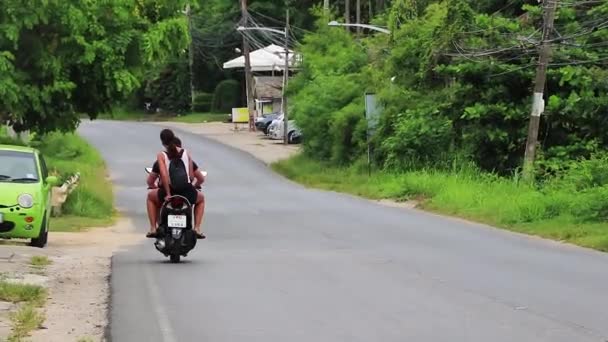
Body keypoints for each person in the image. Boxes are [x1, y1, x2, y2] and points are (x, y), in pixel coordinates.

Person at [146, 130, 205, 239]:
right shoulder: (186, 153)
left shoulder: (162, 155)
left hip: (168, 191)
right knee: (201, 199)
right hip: (186, 191)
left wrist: (168, 193)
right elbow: (192, 177)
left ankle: (153, 228)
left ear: (162, 142)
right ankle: (196, 228)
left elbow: (163, 175)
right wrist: (191, 186)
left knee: (150, 197)